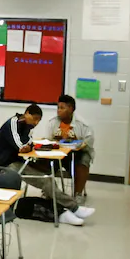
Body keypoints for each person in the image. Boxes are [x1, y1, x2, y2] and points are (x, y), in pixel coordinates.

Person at [24, 97, 96, 227]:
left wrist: (78, 144)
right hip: (58, 152)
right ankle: (48, 190)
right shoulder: (53, 122)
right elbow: (48, 140)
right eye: (58, 107)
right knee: (44, 161)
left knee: (83, 162)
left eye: (62, 108)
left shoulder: (82, 124)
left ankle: (78, 194)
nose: (59, 111)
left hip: (77, 153)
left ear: (71, 109)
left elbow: (89, 142)